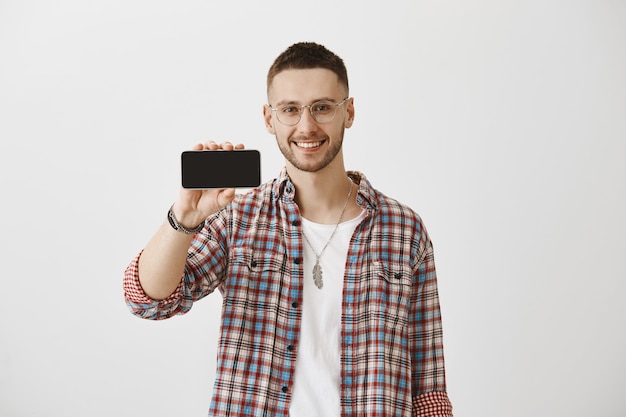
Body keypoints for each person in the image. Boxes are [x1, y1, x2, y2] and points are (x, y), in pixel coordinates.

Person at [124, 41, 453, 417]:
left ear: (349, 112)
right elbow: (147, 301)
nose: (307, 126)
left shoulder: (404, 230)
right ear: (269, 118)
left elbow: (428, 391)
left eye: (323, 107)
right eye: (290, 110)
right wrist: (183, 218)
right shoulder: (238, 219)